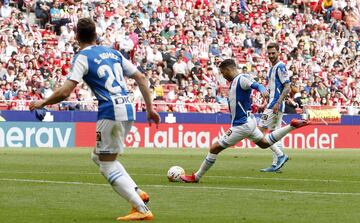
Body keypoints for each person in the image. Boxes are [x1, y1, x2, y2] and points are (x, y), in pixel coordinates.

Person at [29, 18, 160, 221]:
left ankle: (141, 208)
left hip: (110, 112)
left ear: (76, 36)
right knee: (98, 157)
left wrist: (42, 103)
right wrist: (150, 110)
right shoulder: (113, 52)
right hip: (128, 109)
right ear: (95, 34)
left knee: (107, 165)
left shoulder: (82, 56)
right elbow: (141, 78)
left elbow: (65, 92)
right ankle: (136, 191)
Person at [180, 59, 309, 183]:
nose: (223, 76)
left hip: (241, 125)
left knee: (214, 148)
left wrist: (262, 90)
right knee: (264, 143)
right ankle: (291, 126)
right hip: (249, 121)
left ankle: (196, 177)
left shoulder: (241, 79)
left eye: (223, 72)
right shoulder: (236, 81)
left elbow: (256, 85)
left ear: (228, 69)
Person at [258, 42, 292, 173]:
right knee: (275, 134)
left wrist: (277, 103)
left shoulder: (281, 66)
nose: (271, 56)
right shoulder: (272, 68)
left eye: (273, 53)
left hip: (275, 105)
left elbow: (287, 86)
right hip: (272, 103)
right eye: (269, 53)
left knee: (259, 133)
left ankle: (280, 155)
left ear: (279, 52)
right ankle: (275, 165)